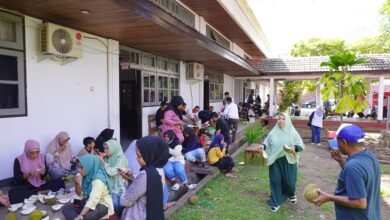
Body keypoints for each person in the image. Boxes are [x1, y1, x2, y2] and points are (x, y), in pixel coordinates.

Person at [313, 124, 381, 220]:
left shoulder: (352, 167)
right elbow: (359, 177)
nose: (336, 144)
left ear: (343, 142)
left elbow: (360, 203)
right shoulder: (370, 156)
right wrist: (341, 161)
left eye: (337, 141)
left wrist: (329, 197)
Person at [259, 113, 304, 212]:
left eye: (283, 119)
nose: (281, 121)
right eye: (279, 119)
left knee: (290, 183)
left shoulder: (293, 132)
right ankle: (275, 202)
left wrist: (294, 148)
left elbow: (301, 145)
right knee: (275, 181)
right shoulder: (274, 131)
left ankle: (291, 193)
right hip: (275, 160)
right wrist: (264, 146)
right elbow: (267, 140)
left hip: (288, 160)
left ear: (287, 120)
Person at [120, 136, 170, 220]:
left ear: (150, 155)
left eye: (139, 156)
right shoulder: (158, 170)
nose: (136, 159)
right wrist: (131, 177)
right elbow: (145, 187)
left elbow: (125, 201)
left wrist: (125, 182)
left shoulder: (145, 175)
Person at [9, 139, 65, 204]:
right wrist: (28, 174)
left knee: (60, 182)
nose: (35, 155)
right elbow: (17, 179)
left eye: (37, 152)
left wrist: (44, 172)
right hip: (26, 185)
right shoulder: (19, 160)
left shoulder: (41, 157)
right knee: (13, 194)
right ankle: (40, 192)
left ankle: (38, 193)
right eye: (32, 153)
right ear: (26, 151)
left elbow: (43, 175)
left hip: (40, 183)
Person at [62, 155, 114, 220]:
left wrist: (81, 215)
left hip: (101, 204)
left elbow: (93, 200)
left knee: (85, 217)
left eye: (81, 167)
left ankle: (79, 216)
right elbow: (80, 194)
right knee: (67, 207)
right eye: (78, 167)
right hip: (87, 200)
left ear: (89, 166)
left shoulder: (98, 180)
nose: (79, 170)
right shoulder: (86, 175)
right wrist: (77, 183)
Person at [97, 139, 128, 213]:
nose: (105, 151)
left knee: (117, 205)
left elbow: (112, 172)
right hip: (111, 185)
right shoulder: (110, 157)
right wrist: (104, 158)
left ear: (113, 148)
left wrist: (103, 162)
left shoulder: (121, 159)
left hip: (119, 187)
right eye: (104, 148)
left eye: (107, 149)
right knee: (113, 205)